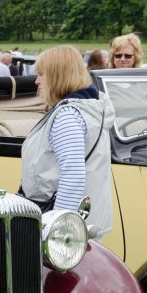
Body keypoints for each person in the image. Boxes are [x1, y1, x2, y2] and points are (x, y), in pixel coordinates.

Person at [21, 45, 115, 239]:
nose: (37, 81)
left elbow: (72, 176)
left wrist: (57, 231)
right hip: (85, 219)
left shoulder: (68, 116)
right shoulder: (93, 107)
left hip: (65, 229)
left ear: (57, 76)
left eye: (41, 74)